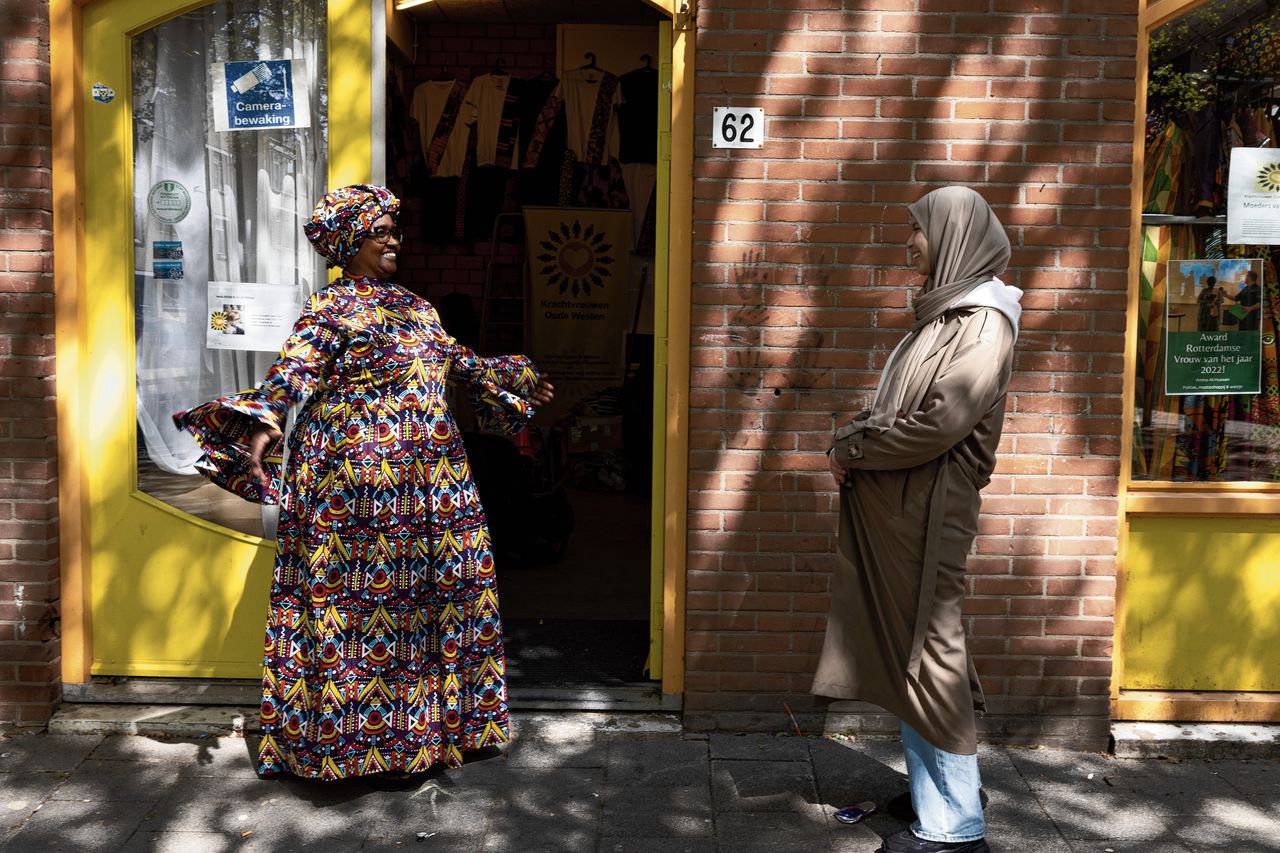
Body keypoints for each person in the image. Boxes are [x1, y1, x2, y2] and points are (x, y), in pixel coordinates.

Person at [174, 184, 553, 785]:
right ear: (349, 241)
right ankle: (345, 748)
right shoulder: (328, 311)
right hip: (354, 491)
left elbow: (460, 361)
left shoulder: (416, 307)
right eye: (380, 229)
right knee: (355, 611)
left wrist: (515, 377)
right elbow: (290, 373)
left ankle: (428, 739)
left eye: (394, 229)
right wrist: (264, 423)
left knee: (428, 605)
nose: (394, 238)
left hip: (430, 486)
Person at [812, 186, 1022, 853]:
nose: (910, 241)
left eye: (918, 230)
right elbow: (897, 411)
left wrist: (852, 448)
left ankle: (957, 826)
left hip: (930, 520)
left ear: (953, 235)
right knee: (914, 657)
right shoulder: (944, 315)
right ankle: (938, 791)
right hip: (903, 517)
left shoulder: (982, 322)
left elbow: (939, 423)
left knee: (933, 659)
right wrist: (852, 441)